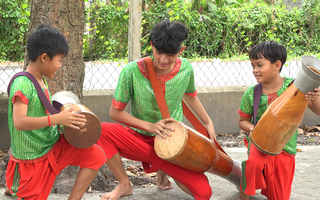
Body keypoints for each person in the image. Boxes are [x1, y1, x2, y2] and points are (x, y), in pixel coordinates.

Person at [96, 19, 216, 200]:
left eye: (170, 55)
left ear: (180, 51)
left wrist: (207, 121)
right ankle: (124, 184)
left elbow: (190, 96)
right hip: (138, 140)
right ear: (151, 45)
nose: (163, 60)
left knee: (204, 193)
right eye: (159, 52)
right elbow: (115, 113)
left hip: (172, 144)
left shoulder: (186, 68)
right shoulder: (131, 71)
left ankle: (163, 168)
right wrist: (150, 127)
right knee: (101, 130)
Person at [5, 24, 106, 200]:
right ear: (44, 57)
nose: (60, 66)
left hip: (52, 146)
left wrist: (65, 111)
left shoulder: (40, 80)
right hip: (33, 158)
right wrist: (56, 119)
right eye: (59, 60)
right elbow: (19, 122)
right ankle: (17, 187)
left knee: (96, 155)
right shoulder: (22, 84)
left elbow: (44, 110)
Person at [237, 41, 320, 200]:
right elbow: (242, 121)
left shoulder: (295, 87)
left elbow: (317, 110)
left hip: (285, 147)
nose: (255, 70)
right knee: (253, 166)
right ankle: (244, 195)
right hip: (259, 143)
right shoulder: (251, 93)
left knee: (279, 195)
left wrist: (315, 97)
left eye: (259, 65)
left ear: (277, 65)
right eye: (252, 66)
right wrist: (253, 128)